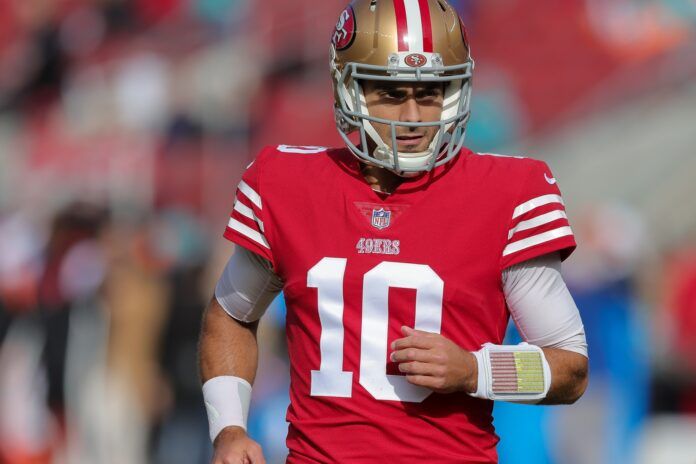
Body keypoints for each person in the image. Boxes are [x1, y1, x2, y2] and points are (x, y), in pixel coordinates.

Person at [198, 1, 589, 462]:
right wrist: (229, 429)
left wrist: (475, 369)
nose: (411, 117)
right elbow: (231, 315)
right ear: (350, 88)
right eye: (390, 92)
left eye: (430, 93)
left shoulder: (506, 194)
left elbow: (570, 369)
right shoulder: (288, 184)